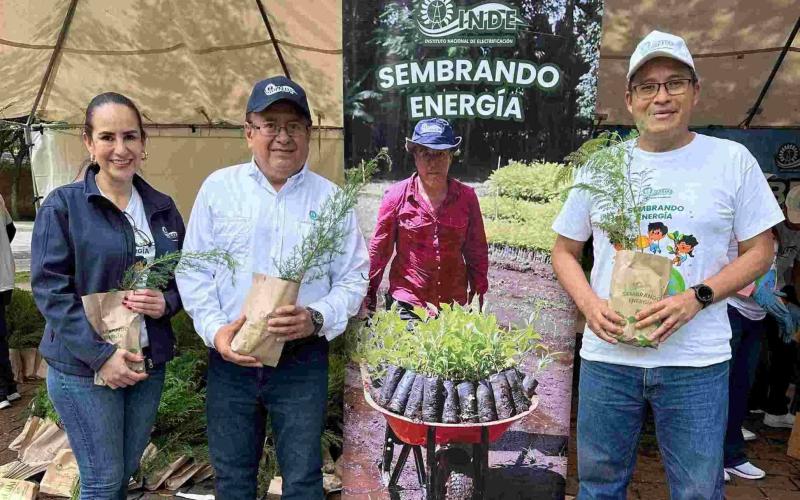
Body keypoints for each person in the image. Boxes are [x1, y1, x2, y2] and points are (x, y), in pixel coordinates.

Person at [551, 30, 782, 499]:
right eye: (648, 86)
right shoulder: (601, 166)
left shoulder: (730, 160)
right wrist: (590, 305)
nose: (661, 97)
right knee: (598, 488)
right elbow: (564, 250)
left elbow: (762, 250)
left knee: (697, 490)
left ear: (695, 91)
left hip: (695, 362)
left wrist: (698, 297)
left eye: (674, 83)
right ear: (630, 99)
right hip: (609, 357)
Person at [176, 76, 369, 499]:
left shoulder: (331, 200)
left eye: (294, 126)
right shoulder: (219, 190)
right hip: (231, 360)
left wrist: (316, 317)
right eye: (271, 125)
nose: (283, 137)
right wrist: (215, 331)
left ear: (309, 134)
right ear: (249, 132)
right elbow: (194, 271)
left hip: (301, 362)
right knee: (233, 479)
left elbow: (354, 276)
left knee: (302, 480)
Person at [31, 92, 185, 499]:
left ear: (143, 142)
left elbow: (186, 276)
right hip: (83, 369)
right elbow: (50, 289)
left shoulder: (162, 208)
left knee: (121, 475)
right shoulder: (64, 206)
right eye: (107, 137)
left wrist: (166, 302)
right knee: (102, 481)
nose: (121, 148)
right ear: (88, 142)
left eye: (130, 136)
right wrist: (101, 356)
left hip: (145, 363)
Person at [364, 117, 488, 318]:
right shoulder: (395, 197)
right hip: (408, 302)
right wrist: (368, 299)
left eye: (440, 154)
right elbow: (379, 252)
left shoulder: (467, 198)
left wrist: (478, 296)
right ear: (415, 156)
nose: (433, 162)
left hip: (452, 305)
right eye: (425, 153)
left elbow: (477, 251)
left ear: (450, 157)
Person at [0, 194, 17, 409]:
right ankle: (10, 388)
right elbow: (10, 229)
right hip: (4, 276)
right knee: (0, 336)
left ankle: (2, 391)